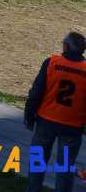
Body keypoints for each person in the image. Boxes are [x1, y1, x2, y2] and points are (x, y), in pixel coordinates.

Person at [25, 31, 86, 192]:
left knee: (37, 162)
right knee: (65, 167)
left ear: (66, 46)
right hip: (72, 127)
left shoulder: (51, 62)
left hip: (46, 121)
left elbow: (36, 92)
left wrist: (29, 116)